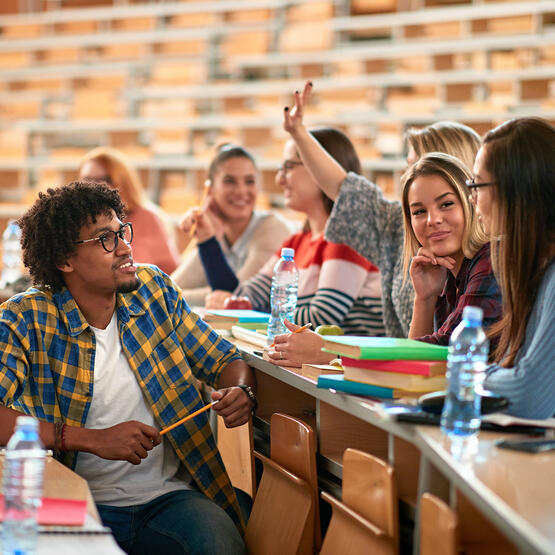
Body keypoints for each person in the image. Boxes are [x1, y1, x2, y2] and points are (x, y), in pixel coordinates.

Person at [0, 181, 256, 554]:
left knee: (219, 540)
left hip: (168, 499)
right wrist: (92, 439)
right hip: (71, 499)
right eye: (105, 239)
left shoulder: (155, 291)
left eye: (123, 232)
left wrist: (241, 390)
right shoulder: (25, 319)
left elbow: (224, 359)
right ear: (64, 260)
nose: (124, 248)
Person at [283, 81, 481, 337]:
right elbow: (345, 190)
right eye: (409, 168)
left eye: (417, 166)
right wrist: (298, 132)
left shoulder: (487, 259)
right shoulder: (400, 225)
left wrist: (330, 353)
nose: (408, 179)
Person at [204, 128, 385, 367]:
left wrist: (256, 311)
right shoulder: (296, 242)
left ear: (320, 166)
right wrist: (207, 239)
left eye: (289, 167)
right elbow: (244, 296)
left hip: (356, 374)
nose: (280, 179)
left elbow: (320, 319)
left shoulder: (349, 238)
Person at [470, 118, 555, 419]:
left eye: (478, 185)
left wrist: (465, 372)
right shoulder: (538, 271)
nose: (473, 198)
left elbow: (527, 395)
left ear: (516, 191)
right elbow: (511, 371)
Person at [401, 152, 501, 344]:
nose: (433, 220)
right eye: (419, 211)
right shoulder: (448, 274)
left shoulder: (491, 260)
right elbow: (416, 364)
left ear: (470, 203)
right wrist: (425, 298)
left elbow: (449, 348)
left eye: (446, 204)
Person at [171, 144, 290, 306]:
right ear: (210, 190)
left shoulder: (271, 228)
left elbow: (236, 298)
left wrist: (208, 242)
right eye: (230, 181)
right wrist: (209, 235)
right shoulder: (216, 233)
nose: (241, 190)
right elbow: (169, 288)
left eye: (249, 181)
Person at [79, 146, 180, 274]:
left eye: (104, 179)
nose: (94, 187)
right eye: (87, 180)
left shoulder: (148, 218)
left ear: (122, 182)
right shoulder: (77, 224)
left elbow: (172, 274)